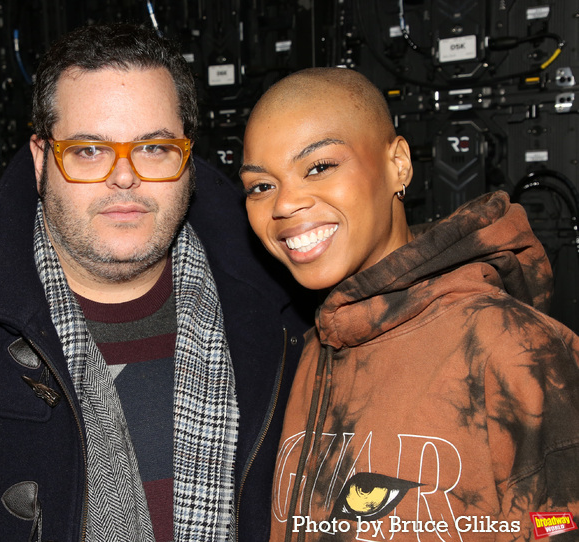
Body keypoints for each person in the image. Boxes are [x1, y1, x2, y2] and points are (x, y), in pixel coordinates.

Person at [0, 23, 311, 542]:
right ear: (41, 159)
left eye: (153, 148)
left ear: (187, 159)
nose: (123, 176)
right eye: (88, 150)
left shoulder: (289, 324)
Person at [239, 67, 579, 542]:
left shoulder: (514, 349)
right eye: (261, 185)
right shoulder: (307, 351)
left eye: (319, 166)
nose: (285, 204)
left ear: (399, 164)